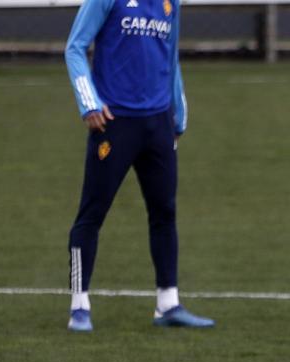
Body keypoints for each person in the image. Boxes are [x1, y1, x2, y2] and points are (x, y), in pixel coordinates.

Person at [64, 0, 214, 333]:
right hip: (114, 123)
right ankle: (79, 306)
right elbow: (74, 48)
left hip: (158, 124)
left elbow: (170, 57)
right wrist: (88, 102)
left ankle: (168, 303)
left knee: (165, 212)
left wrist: (178, 112)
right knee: (91, 214)